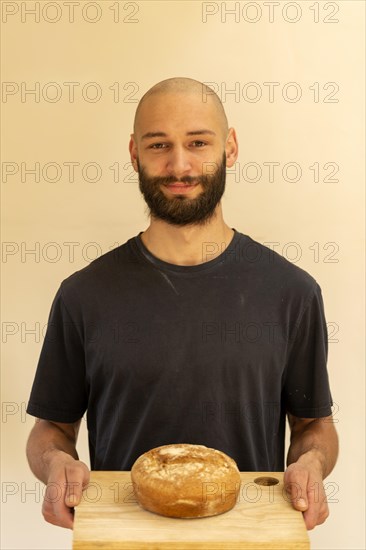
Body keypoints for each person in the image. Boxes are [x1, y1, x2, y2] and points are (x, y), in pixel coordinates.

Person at [26, 77, 338, 531]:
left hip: (248, 539)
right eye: (158, 145)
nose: (179, 164)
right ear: (134, 153)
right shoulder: (83, 295)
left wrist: (311, 463)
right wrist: (55, 463)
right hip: (123, 540)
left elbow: (314, 425)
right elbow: (50, 430)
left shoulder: (292, 292)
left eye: (198, 142)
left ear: (230, 148)